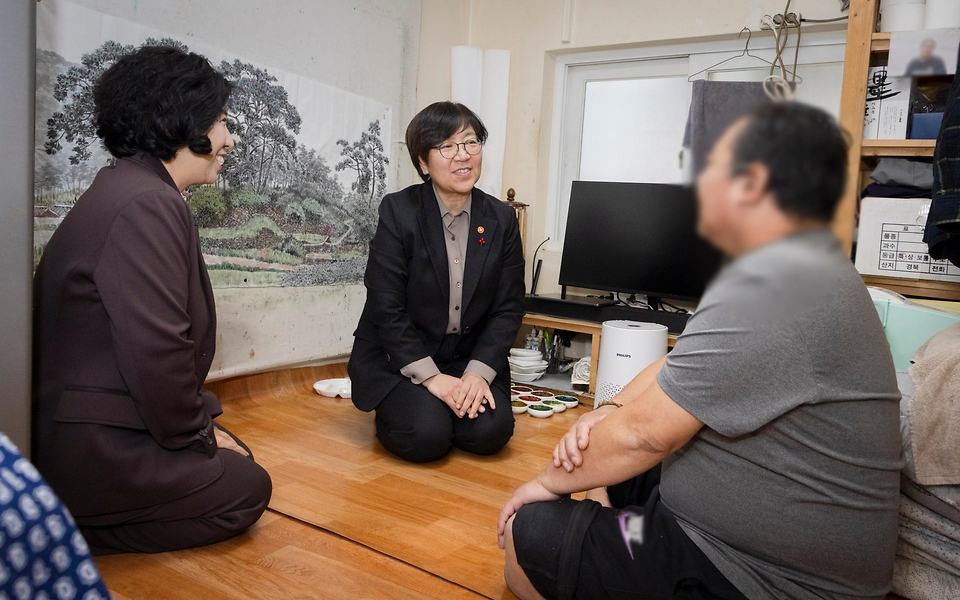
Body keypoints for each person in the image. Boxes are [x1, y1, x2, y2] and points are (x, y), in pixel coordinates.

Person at [498, 102, 904, 600]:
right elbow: (676, 363)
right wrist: (608, 412)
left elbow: (647, 437)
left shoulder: (773, 284)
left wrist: (543, 484)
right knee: (610, 471)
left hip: (761, 577)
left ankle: (616, 540)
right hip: (717, 529)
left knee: (529, 534)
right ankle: (624, 534)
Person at [32, 46, 272, 555]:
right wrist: (201, 439)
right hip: (97, 445)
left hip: (103, 421)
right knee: (249, 488)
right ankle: (67, 526)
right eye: (222, 122)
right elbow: (158, 354)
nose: (230, 139)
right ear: (178, 122)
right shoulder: (146, 204)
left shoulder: (131, 189)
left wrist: (202, 431)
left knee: (239, 458)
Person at [348, 101, 525, 463]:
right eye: (447, 146)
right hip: (401, 356)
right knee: (427, 436)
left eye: (471, 142)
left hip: (464, 356)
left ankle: (443, 407)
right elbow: (386, 306)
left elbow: (508, 308)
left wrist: (477, 375)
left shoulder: (502, 220)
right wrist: (432, 379)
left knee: (491, 433)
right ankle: (410, 408)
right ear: (423, 164)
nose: (463, 155)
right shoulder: (399, 212)